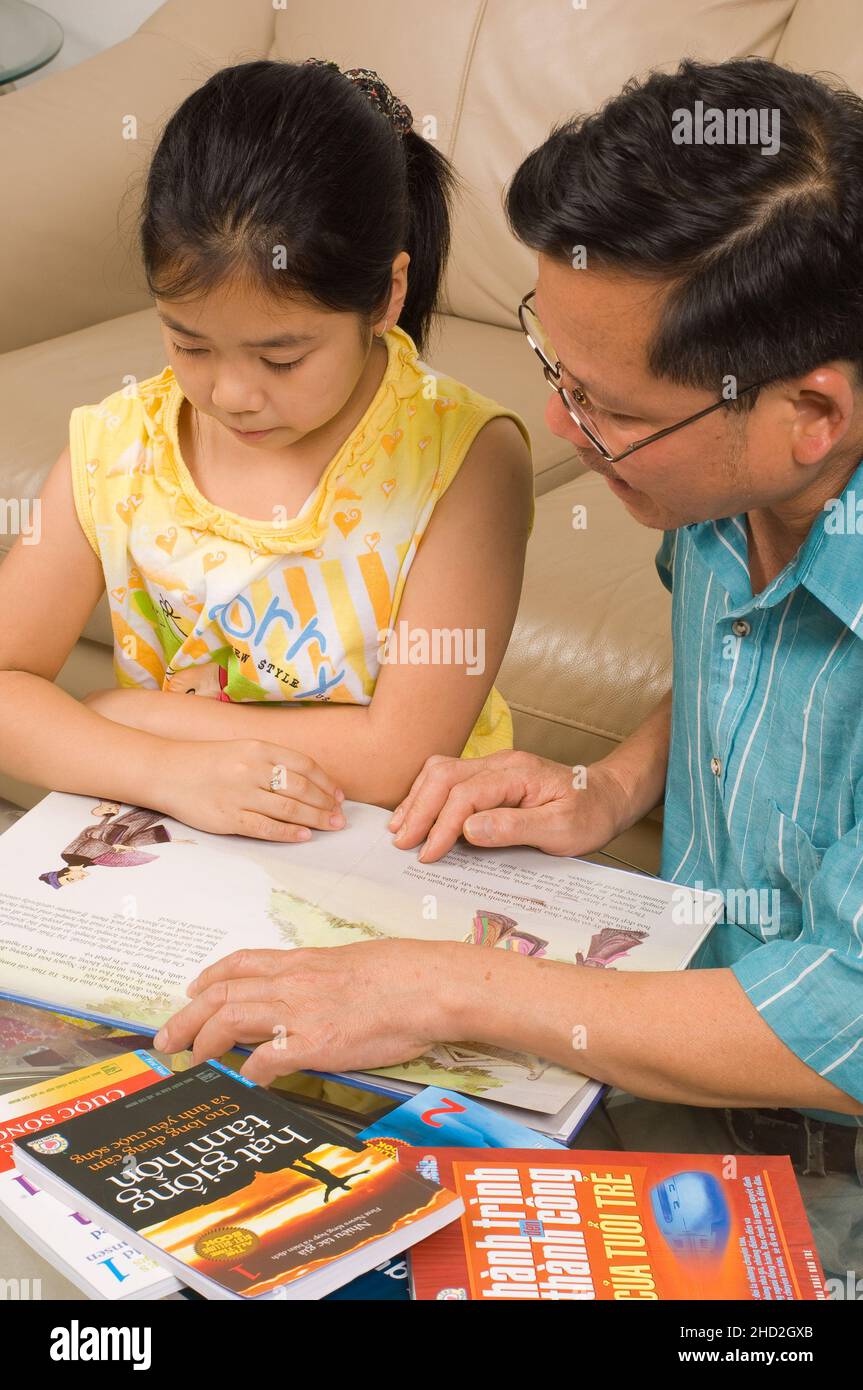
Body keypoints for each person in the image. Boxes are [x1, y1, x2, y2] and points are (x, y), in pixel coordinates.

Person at [154, 57, 863, 1286]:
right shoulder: (717, 481)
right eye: (555, 368)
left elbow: (838, 1030)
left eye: (609, 408)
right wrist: (613, 788)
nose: (558, 430)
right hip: (665, 1069)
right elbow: (758, 656)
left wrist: (439, 988)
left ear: (812, 413)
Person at [0, 58, 533, 840]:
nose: (231, 395)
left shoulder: (464, 458)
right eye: (190, 344)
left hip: (384, 852)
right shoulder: (116, 449)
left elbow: (398, 761)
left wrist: (131, 715)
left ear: (386, 295)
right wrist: (162, 770)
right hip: (173, 836)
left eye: (281, 359)